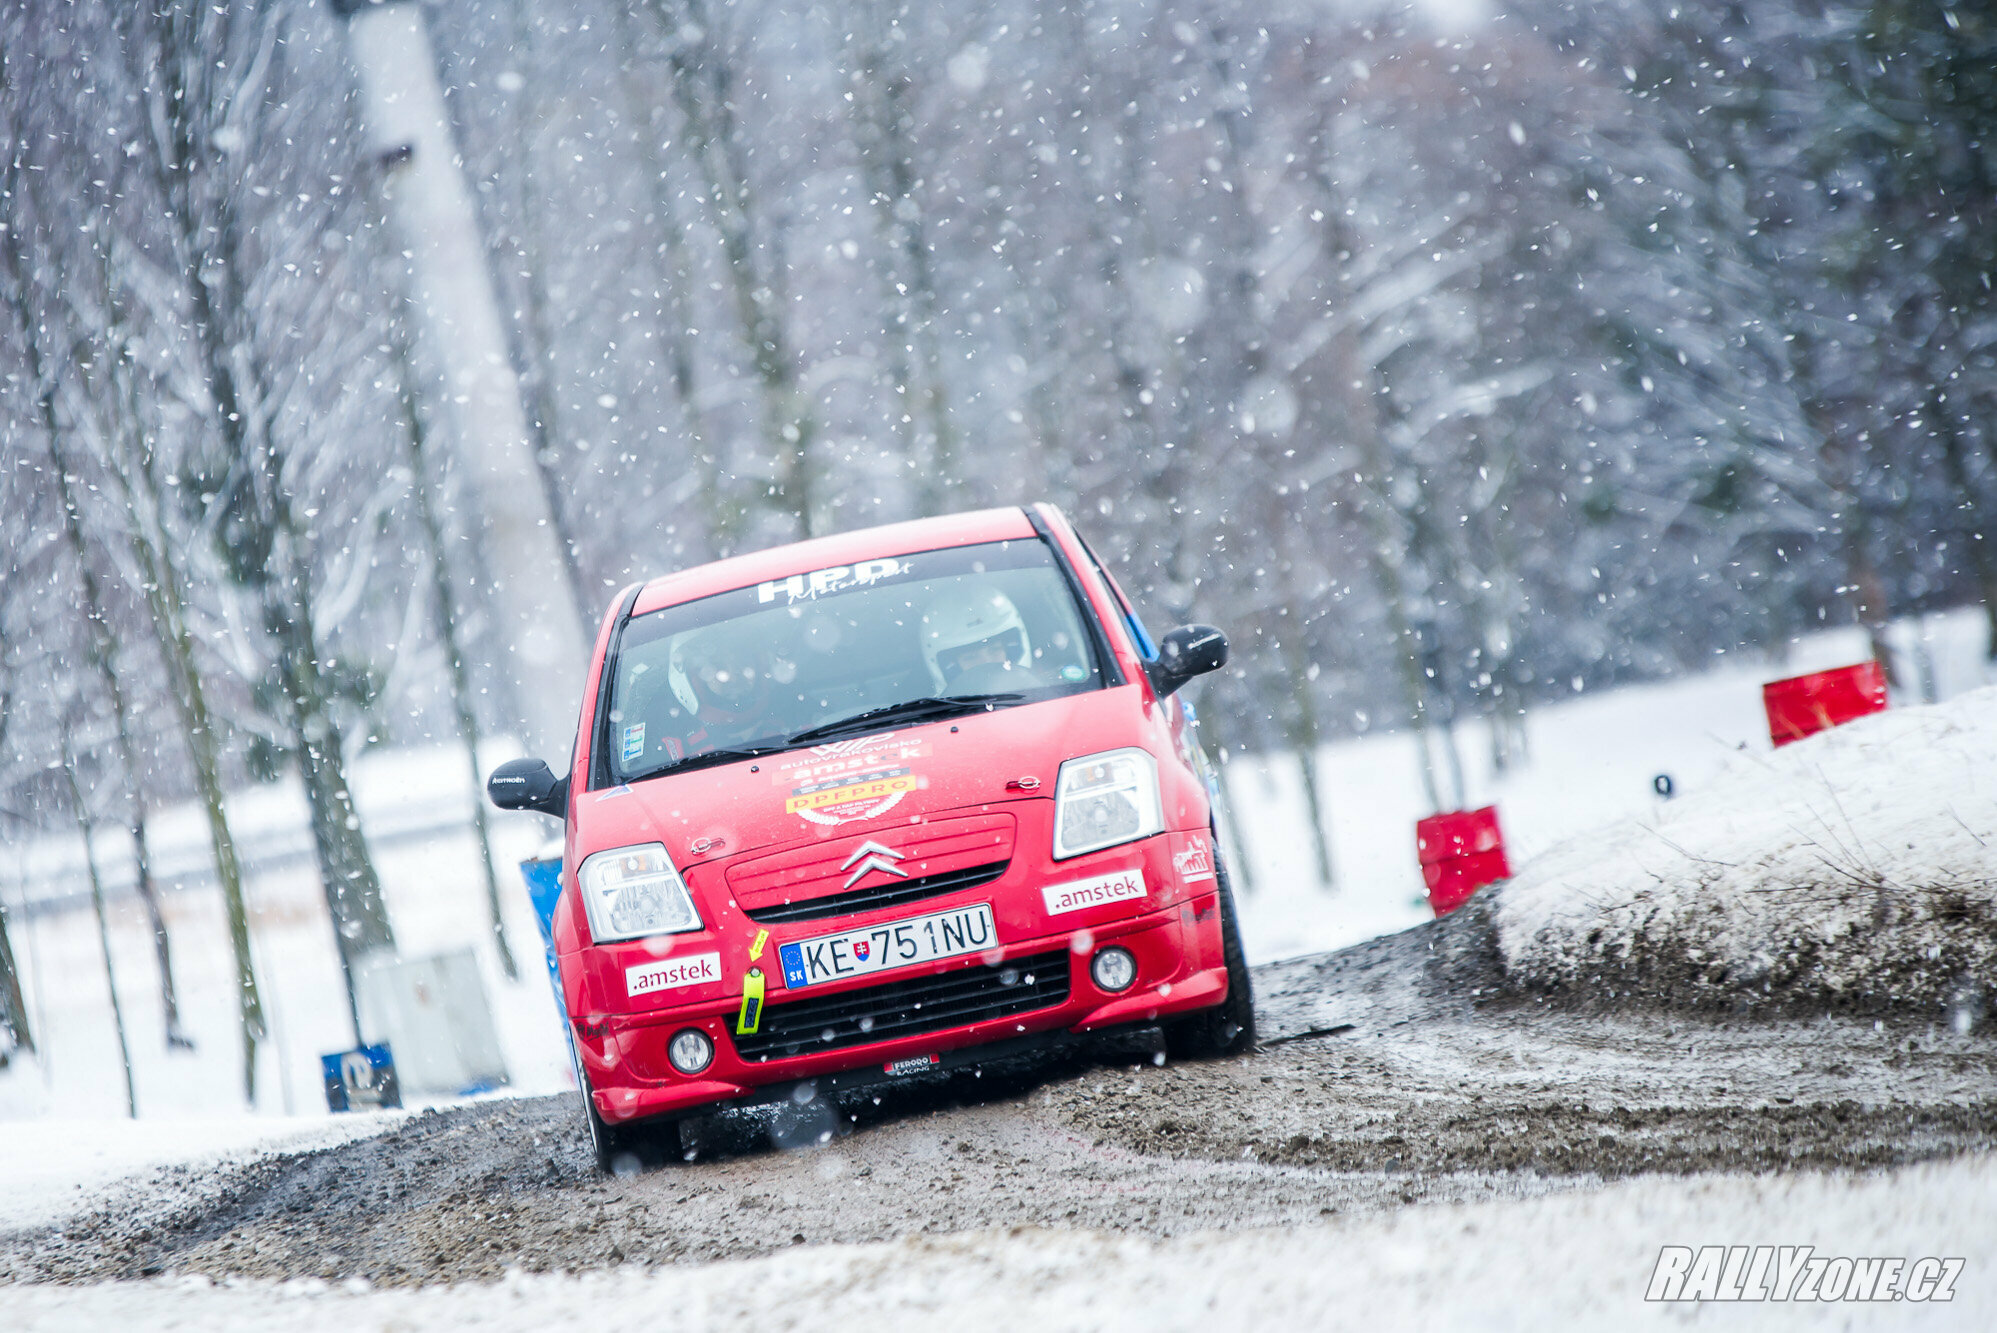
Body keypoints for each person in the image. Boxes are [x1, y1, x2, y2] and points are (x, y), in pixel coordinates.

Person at [920, 588, 1036, 693]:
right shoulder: (934, 713)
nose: (987, 661)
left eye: (994, 650)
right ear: (952, 667)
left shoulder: (1046, 691)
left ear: (1010, 650)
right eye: (971, 657)